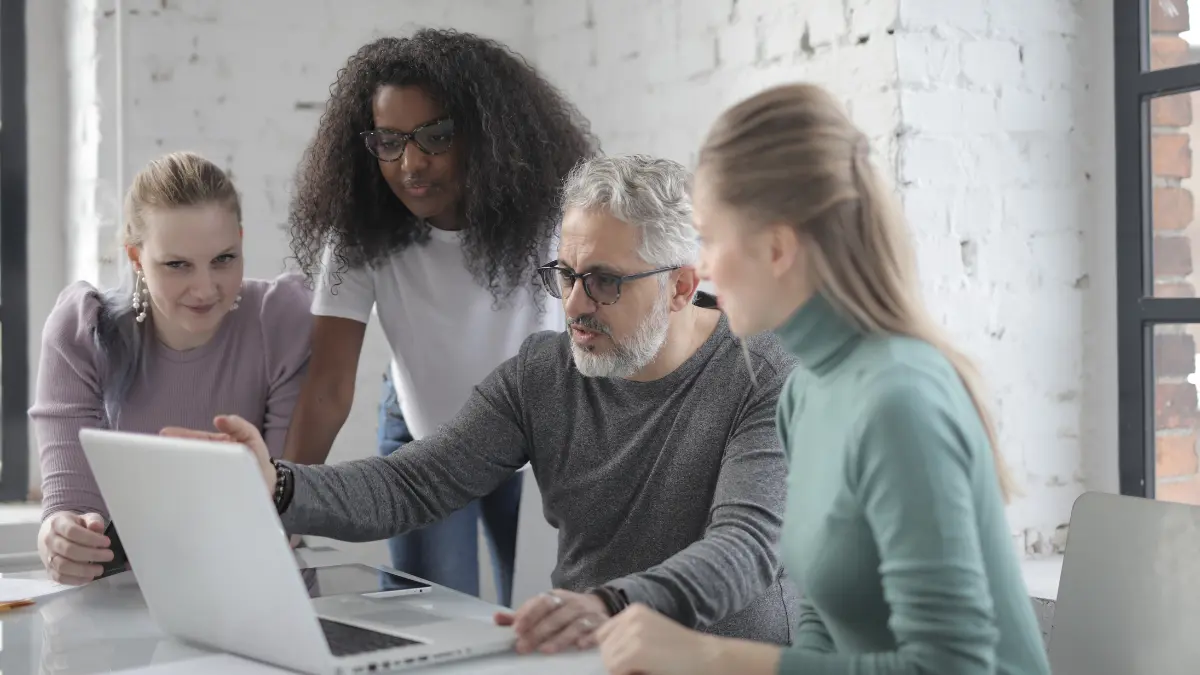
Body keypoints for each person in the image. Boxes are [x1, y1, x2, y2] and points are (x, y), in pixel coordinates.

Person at [164, 154, 800, 656]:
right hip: (589, 655)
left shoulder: (762, 374)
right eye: (568, 275)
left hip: (725, 659)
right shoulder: (545, 373)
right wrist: (276, 483)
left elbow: (743, 548)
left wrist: (608, 604)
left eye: (604, 282)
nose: (575, 305)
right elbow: (414, 482)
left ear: (680, 287)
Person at [592, 85, 1053, 675]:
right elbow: (825, 623)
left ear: (778, 247)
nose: (700, 267)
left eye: (708, 238)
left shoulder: (899, 401)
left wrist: (707, 656)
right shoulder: (806, 391)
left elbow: (952, 669)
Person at [282, 29, 597, 606]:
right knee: (429, 620)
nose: (411, 164)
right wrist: (281, 509)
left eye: (436, 137)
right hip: (424, 440)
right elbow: (327, 387)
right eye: (390, 141)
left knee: (536, 618)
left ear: (487, 135)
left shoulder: (555, 212)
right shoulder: (357, 231)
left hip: (539, 444)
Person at [29, 151, 313, 586]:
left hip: (254, 587)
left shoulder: (280, 321)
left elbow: (281, 511)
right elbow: (71, 509)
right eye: (177, 265)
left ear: (241, 239)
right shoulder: (83, 333)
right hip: (124, 592)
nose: (205, 289)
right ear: (136, 257)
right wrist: (63, 539)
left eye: (224, 259)